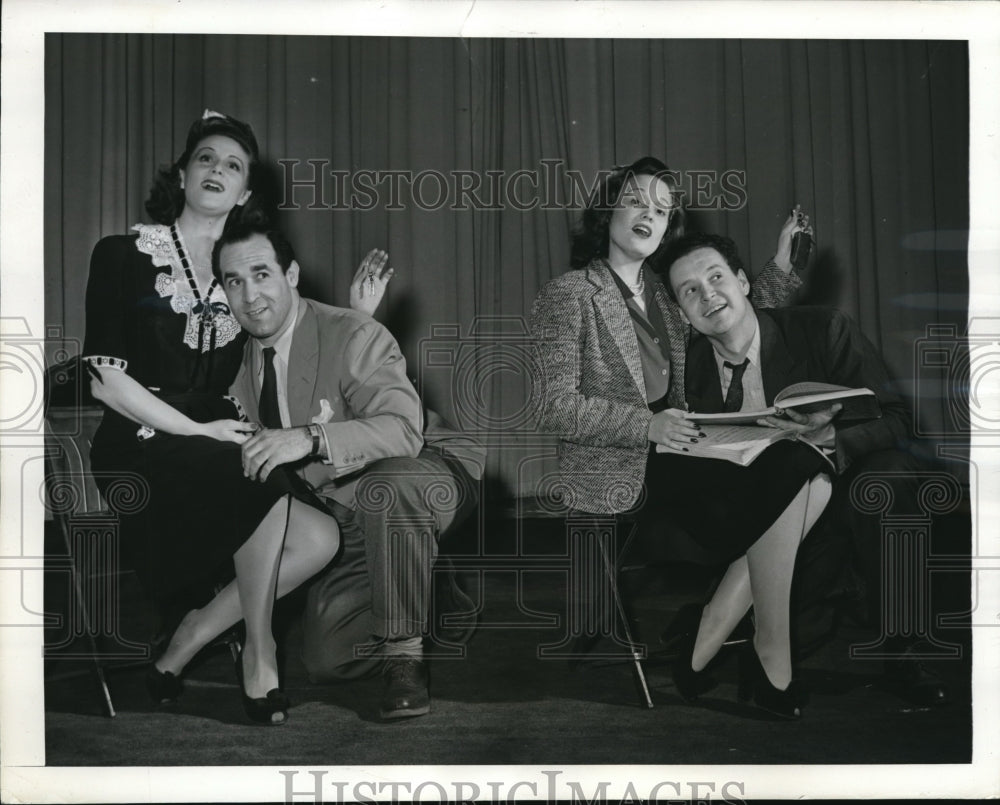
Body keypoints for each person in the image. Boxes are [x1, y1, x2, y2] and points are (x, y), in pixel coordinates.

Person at [530, 156, 831, 718]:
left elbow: (729, 308)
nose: (651, 214)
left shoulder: (665, 297)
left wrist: (784, 265)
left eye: (663, 209)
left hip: (685, 448)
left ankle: (714, 627)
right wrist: (646, 425)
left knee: (805, 466)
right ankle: (765, 657)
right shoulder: (569, 294)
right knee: (795, 476)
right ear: (607, 211)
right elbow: (554, 405)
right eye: (638, 201)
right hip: (621, 467)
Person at [82, 110, 342, 725]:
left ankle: (192, 635)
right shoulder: (122, 253)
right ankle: (260, 651)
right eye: (206, 158)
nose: (217, 169)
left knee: (319, 538)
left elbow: (300, 337)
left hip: (222, 434)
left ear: (246, 191)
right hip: (141, 438)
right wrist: (199, 431)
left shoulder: (246, 267)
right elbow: (105, 380)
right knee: (248, 473)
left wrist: (356, 316)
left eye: (233, 164)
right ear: (182, 172)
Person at [664, 230, 950, 706]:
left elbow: (901, 421)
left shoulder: (824, 330)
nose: (707, 294)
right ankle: (725, 628)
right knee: (806, 627)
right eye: (689, 290)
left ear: (743, 282)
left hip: (850, 487)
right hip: (764, 515)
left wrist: (832, 436)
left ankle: (903, 649)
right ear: (681, 313)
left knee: (891, 480)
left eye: (716, 278)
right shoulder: (685, 371)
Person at [215, 225, 481, 721]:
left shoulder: (352, 331)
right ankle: (432, 595)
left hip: (426, 473)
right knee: (330, 661)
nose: (250, 296)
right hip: (342, 505)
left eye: (261, 274)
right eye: (233, 282)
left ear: (290, 274)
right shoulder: (235, 361)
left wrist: (309, 438)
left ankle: (405, 655)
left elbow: (403, 431)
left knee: (389, 486)